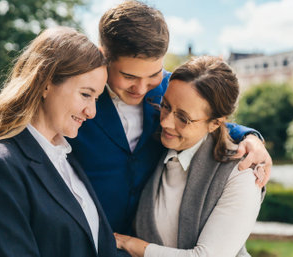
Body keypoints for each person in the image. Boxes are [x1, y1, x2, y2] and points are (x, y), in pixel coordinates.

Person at [69, 0, 272, 235]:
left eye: (154, 74)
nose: (141, 87)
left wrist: (250, 136)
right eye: (129, 76)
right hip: (91, 238)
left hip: (148, 238)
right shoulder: (80, 97)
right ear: (103, 56)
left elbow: (206, 117)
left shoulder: (171, 88)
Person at [0, 27, 118, 257]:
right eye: (86, 95)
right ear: (46, 83)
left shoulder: (68, 161)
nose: (92, 112)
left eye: (96, 98)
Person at [114, 56, 262, 257]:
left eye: (183, 118)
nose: (166, 122)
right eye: (165, 106)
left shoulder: (241, 174)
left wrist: (133, 245)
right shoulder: (156, 146)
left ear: (215, 123)